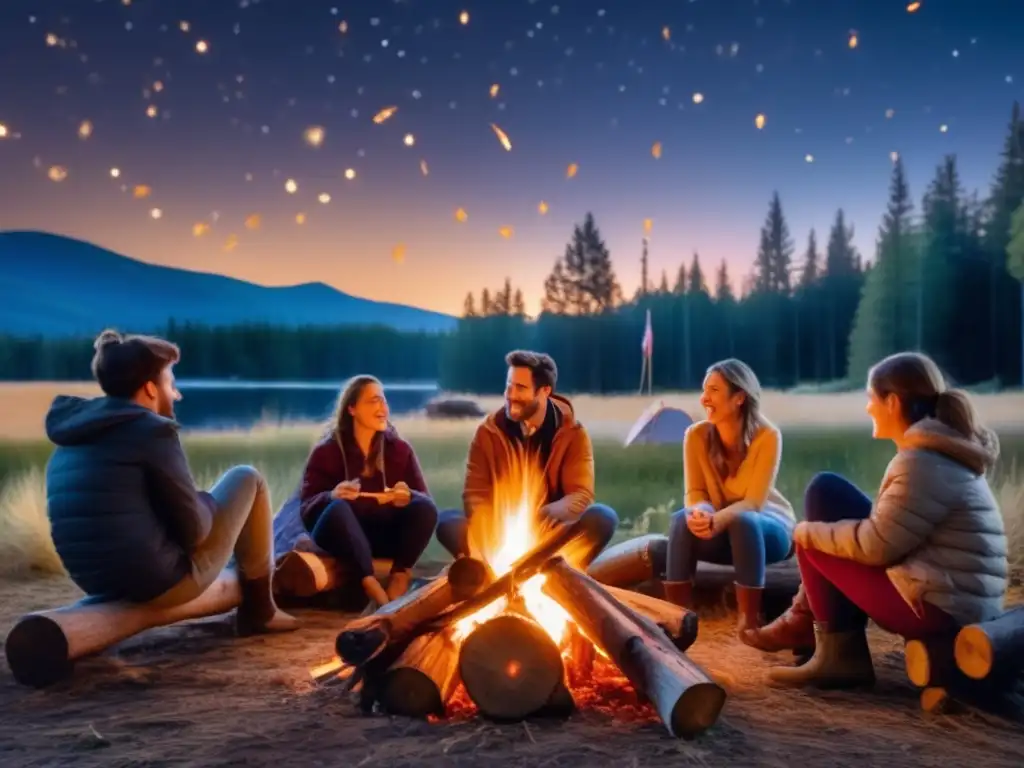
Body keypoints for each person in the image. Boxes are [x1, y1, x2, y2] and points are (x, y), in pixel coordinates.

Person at [746, 351, 1007, 689]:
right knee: (826, 492)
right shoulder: (937, 453)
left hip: (941, 610)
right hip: (951, 596)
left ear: (893, 402)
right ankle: (805, 621)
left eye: (872, 398)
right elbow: (890, 533)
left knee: (813, 541)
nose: (868, 406)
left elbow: (877, 547)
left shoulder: (921, 463)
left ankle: (839, 657)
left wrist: (804, 533)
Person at [44, 329, 297, 634]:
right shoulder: (153, 431)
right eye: (171, 383)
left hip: (94, 581)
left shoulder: (72, 436)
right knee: (247, 478)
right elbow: (197, 532)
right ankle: (261, 610)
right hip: (157, 582)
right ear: (150, 389)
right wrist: (203, 500)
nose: (177, 394)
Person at [435, 350, 619, 569]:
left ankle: (556, 571)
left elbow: (580, 496)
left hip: (551, 536)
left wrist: (540, 516)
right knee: (448, 522)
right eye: (508, 386)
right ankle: (487, 574)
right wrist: (498, 524)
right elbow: (475, 495)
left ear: (544, 391)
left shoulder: (572, 433)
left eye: (520, 388)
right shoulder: (488, 431)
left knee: (602, 518)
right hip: (497, 534)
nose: (511, 395)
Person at [663, 359, 796, 637]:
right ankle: (677, 619)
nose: (704, 398)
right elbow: (695, 493)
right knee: (680, 520)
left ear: (739, 398)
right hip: (720, 527)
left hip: (766, 530)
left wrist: (717, 518)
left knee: (744, 520)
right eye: (703, 390)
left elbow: (754, 503)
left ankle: (749, 623)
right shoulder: (695, 435)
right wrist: (699, 512)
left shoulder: (767, 436)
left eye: (713, 390)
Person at [297, 375, 438, 607]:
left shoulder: (399, 450)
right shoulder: (327, 452)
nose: (382, 407)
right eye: (373, 401)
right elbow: (306, 507)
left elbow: (425, 503)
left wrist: (408, 496)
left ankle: (400, 575)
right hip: (342, 537)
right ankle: (369, 583)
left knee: (425, 507)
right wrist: (331, 496)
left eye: (383, 401)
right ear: (352, 408)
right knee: (339, 508)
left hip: (383, 535)